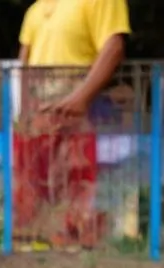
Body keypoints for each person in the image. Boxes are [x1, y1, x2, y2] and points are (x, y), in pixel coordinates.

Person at [15, 0, 131, 248]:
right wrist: (24, 110)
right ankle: (36, 241)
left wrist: (80, 99)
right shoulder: (35, 10)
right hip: (39, 111)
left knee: (77, 178)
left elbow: (113, 46)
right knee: (33, 181)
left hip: (78, 110)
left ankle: (79, 245)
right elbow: (23, 61)